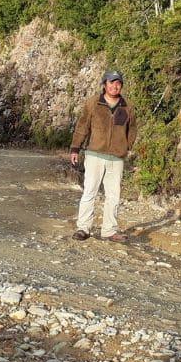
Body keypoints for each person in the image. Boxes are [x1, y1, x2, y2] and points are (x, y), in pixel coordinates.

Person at [69, 70, 138, 242]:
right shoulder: (93, 103)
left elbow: (133, 129)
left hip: (116, 157)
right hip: (95, 154)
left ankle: (109, 231)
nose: (115, 86)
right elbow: (82, 126)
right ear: (104, 84)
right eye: (111, 82)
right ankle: (83, 228)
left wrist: (126, 147)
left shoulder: (127, 106)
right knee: (90, 191)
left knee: (113, 195)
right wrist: (75, 148)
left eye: (118, 83)